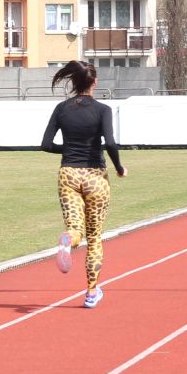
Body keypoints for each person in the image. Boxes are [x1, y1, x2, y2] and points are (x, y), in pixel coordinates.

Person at [40, 60, 126, 308]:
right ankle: (90, 292)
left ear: (74, 82)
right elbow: (109, 143)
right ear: (94, 82)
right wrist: (119, 168)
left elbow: (45, 145)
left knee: (76, 229)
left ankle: (69, 239)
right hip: (96, 176)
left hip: (68, 174)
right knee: (95, 237)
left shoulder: (61, 109)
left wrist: (69, 149)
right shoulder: (102, 110)